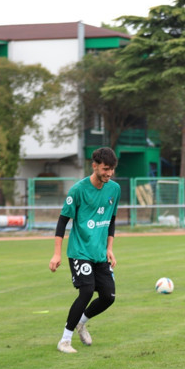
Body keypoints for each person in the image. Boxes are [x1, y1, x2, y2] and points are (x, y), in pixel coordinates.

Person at [49, 147, 120, 354]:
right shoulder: (77, 190)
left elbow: (111, 220)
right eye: (105, 169)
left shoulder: (114, 189)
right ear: (95, 165)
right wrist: (56, 253)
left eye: (112, 169)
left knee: (108, 296)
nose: (108, 173)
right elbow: (62, 222)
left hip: (99, 253)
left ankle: (81, 322)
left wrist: (110, 248)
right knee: (87, 291)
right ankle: (64, 340)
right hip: (80, 251)